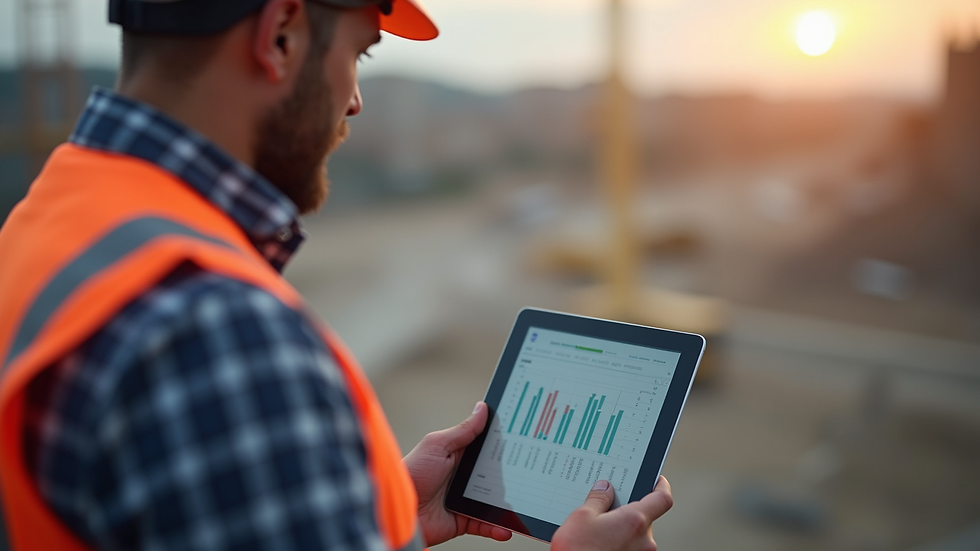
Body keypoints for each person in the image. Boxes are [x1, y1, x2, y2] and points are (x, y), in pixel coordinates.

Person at [0, 0, 674, 549]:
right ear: (282, 35)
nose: (354, 100)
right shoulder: (215, 327)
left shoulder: (53, 219)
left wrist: (377, 515)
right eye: (357, 53)